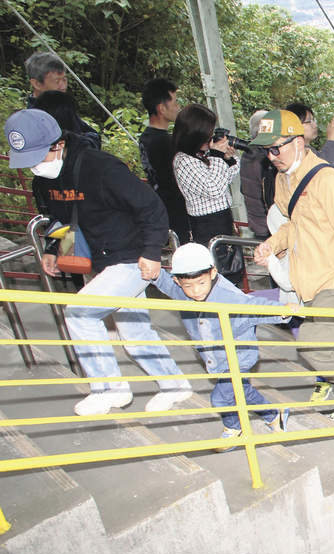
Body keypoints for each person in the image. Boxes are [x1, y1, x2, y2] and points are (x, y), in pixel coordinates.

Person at [4, 109, 192, 415]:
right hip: (100, 260)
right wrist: (52, 247)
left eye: (38, 158)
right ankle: (175, 386)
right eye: (27, 162)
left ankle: (110, 389)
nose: (35, 168)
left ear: (58, 144)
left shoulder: (101, 168)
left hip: (131, 257)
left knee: (80, 313)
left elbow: (152, 207)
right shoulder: (46, 179)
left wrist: (151, 253)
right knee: (135, 332)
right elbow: (60, 218)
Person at [251, 110, 334, 423]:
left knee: (310, 345)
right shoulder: (282, 180)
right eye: (266, 150)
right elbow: (293, 225)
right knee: (330, 344)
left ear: (299, 142)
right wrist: (272, 245)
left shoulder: (329, 181)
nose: (271, 156)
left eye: (276, 148)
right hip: (307, 280)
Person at [151, 243, 297, 452]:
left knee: (221, 397)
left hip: (238, 355)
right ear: (178, 281)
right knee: (241, 391)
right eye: (188, 286)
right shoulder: (183, 291)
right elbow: (169, 287)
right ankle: (274, 415)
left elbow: (254, 307)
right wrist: (155, 275)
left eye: (200, 283)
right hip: (217, 357)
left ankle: (233, 429)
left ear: (212, 273)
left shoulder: (229, 296)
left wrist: (282, 311)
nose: (195, 291)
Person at [171, 103, 239, 275]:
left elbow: (227, 179)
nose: (212, 139)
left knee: (230, 269)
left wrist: (228, 159)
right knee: (216, 272)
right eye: (209, 135)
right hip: (206, 226)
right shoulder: (183, 161)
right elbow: (214, 189)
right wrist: (217, 156)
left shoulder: (203, 156)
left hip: (222, 220)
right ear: (195, 135)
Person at [139, 78, 190, 242]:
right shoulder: (164, 143)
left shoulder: (145, 138)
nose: (178, 107)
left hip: (161, 209)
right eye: (174, 103)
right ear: (161, 108)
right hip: (178, 213)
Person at [24, 52, 100, 148]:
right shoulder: (33, 117)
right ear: (36, 84)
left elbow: (93, 135)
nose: (63, 87)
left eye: (64, 80)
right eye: (56, 82)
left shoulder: (63, 105)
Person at [239, 109, 275, 241]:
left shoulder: (247, 153)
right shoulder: (266, 155)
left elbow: (243, 189)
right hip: (270, 224)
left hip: (257, 222)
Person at [285, 102, 334, 171]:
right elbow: (322, 169)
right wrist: (332, 140)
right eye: (309, 121)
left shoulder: (311, 151)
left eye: (314, 120)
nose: (315, 125)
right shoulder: (294, 154)